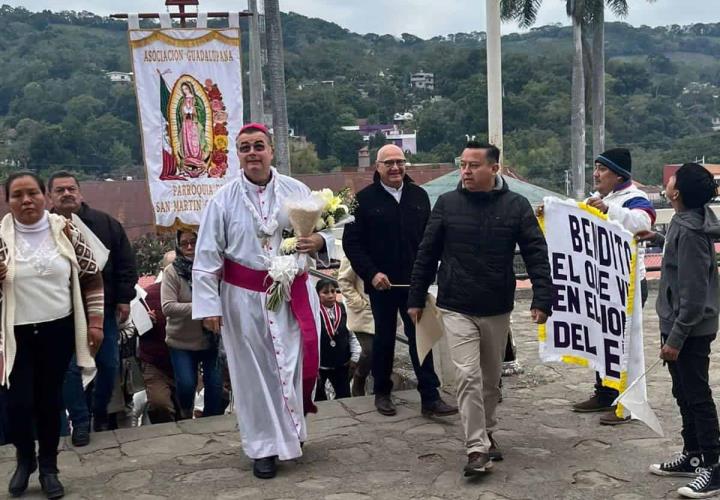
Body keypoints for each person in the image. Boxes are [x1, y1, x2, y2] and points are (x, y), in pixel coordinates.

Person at [192, 123, 333, 479]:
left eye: (258, 146)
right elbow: (207, 256)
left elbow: (325, 232)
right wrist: (208, 306)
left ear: (271, 150)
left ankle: (293, 434)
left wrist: (318, 242)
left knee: (291, 367)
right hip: (244, 300)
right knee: (253, 376)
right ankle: (263, 449)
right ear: (237, 155)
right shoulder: (221, 200)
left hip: (292, 296)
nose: (252, 153)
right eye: (244, 148)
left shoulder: (296, 190)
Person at [407, 142, 553, 476]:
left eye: (474, 165)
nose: (466, 171)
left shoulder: (516, 206)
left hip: (496, 305)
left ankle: (486, 429)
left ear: (494, 169)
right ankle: (476, 448)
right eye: (463, 165)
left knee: (490, 380)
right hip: (455, 304)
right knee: (467, 377)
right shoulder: (447, 203)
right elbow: (426, 253)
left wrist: (542, 297)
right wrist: (415, 298)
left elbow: (536, 253)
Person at [1, 171, 104, 498]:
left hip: (57, 330)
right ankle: (24, 459)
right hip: (14, 334)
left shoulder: (67, 231)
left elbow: (92, 278)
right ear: (8, 201)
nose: (26, 200)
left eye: (32, 193)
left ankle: (48, 467)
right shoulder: (1, 238)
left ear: (45, 196)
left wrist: (96, 321)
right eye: (17, 195)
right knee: (16, 404)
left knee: (49, 402)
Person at [342, 144, 457, 418]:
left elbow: (429, 241)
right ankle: (382, 392)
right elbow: (352, 244)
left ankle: (430, 396)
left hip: (414, 283)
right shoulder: (363, 200)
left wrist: (427, 274)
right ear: (377, 168)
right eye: (388, 163)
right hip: (382, 284)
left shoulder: (419, 196)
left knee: (421, 338)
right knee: (383, 339)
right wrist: (372, 273)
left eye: (400, 162)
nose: (395, 168)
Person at [645, 163, 720, 498]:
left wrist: (675, 339)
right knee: (683, 393)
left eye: (673, 179)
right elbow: (678, 257)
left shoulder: (691, 231)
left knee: (697, 396)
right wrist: (657, 237)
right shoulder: (682, 221)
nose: (668, 181)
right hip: (676, 324)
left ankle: (714, 465)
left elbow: (692, 295)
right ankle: (693, 455)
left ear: (677, 192)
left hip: (689, 329)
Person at [49, 171, 137, 441]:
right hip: (62, 311)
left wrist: (124, 298)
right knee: (71, 368)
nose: (66, 194)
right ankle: (81, 419)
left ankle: (100, 412)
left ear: (80, 192)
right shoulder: (44, 227)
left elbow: (125, 263)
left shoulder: (105, 224)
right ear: (50, 196)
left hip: (104, 308)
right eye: (60, 190)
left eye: (71, 188)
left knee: (108, 364)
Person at [571, 148, 656, 425]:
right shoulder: (595, 200)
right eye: (595, 168)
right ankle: (604, 392)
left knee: (625, 345)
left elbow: (643, 223)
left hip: (628, 283)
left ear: (619, 175)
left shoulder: (636, 199)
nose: (596, 174)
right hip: (599, 282)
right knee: (600, 339)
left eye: (602, 169)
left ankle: (628, 401)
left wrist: (610, 210)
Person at [162, 230, 223, 420]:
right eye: (184, 243)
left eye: (193, 242)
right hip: (181, 341)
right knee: (187, 384)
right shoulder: (172, 271)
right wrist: (203, 309)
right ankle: (186, 413)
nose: (189, 247)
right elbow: (168, 307)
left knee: (214, 385)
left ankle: (212, 423)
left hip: (211, 339)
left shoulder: (214, 268)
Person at [138, 251, 177, 424]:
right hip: (155, 362)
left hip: (185, 358)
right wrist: (144, 320)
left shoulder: (191, 291)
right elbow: (135, 328)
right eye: (170, 268)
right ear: (163, 270)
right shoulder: (147, 296)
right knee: (160, 404)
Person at [315, 278, 361, 401]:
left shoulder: (343, 309)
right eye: (325, 292)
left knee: (345, 396)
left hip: (341, 364)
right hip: (320, 366)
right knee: (319, 399)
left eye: (333, 291)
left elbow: (351, 334)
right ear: (317, 294)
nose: (330, 295)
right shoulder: (314, 313)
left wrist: (355, 357)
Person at [337, 257, 375, 396]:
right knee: (369, 351)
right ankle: (359, 377)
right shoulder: (355, 249)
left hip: (384, 308)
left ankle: (381, 389)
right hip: (364, 312)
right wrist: (358, 302)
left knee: (384, 352)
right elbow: (344, 280)